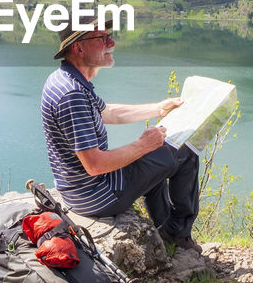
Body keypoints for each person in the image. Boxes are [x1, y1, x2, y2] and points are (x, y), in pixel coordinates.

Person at [40, 21, 202, 252]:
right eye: (103, 38)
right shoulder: (72, 94)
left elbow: (109, 112)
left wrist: (159, 108)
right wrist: (143, 145)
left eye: (110, 36)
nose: (111, 43)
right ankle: (176, 234)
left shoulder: (68, 79)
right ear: (78, 48)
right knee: (185, 151)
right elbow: (95, 165)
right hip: (97, 195)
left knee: (158, 158)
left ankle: (164, 229)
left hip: (80, 189)